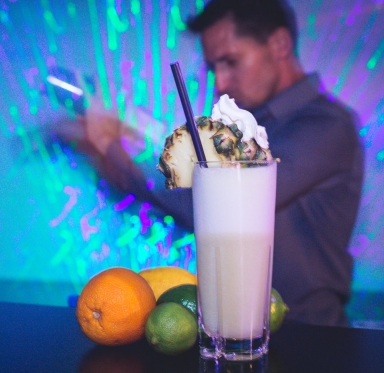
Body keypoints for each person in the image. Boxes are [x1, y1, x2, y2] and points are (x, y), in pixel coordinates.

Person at [78, 0, 364, 327]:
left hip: (306, 331)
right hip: (234, 326)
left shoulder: (326, 126)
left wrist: (113, 149)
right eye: (214, 68)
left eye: (231, 61)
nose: (221, 84)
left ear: (280, 44)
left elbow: (213, 202)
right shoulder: (252, 124)